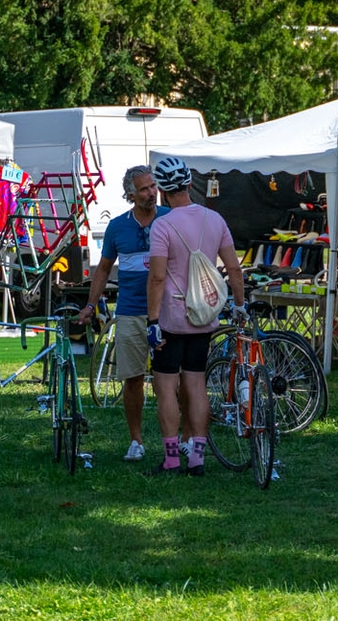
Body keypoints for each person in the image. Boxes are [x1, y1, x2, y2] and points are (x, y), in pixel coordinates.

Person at [144, 155, 247, 477]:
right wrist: (239, 305)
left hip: (171, 317)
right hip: (203, 316)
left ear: (162, 191)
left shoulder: (162, 225)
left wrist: (152, 321)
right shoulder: (215, 220)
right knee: (196, 384)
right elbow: (234, 270)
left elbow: (157, 277)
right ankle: (198, 457)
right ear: (190, 183)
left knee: (165, 388)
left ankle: (172, 458)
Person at [79, 164, 168, 461]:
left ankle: (180, 439)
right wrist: (91, 305)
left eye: (153, 186)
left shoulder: (169, 218)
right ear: (130, 195)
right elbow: (103, 269)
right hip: (130, 311)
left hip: (167, 311)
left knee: (173, 378)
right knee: (132, 378)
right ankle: (136, 440)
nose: (151, 193)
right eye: (144, 189)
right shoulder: (117, 226)